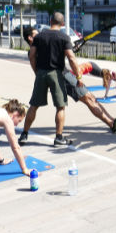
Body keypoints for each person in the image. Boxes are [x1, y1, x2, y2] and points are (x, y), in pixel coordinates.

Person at [20, 27, 116, 145]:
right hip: (63, 76)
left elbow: (50, 56)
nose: (40, 34)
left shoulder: (34, 50)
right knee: (89, 98)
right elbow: (59, 57)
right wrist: (69, 50)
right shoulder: (40, 44)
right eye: (36, 33)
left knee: (34, 106)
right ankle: (112, 124)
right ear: (30, 38)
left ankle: (24, 134)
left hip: (44, 76)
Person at [25, 13, 85, 148]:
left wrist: (37, 72)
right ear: (62, 24)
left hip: (41, 72)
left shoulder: (39, 36)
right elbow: (71, 58)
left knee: (34, 105)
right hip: (56, 73)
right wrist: (78, 76)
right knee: (60, 106)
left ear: (50, 21)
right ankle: (58, 138)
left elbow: (32, 56)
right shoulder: (64, 37)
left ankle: (24, 134)